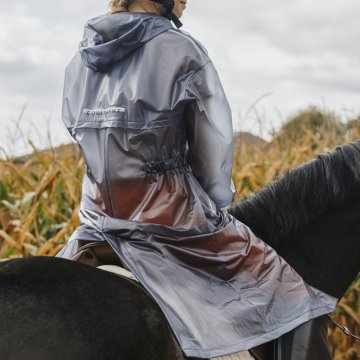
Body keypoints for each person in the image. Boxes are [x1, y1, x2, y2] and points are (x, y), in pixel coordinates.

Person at [57, 0, 336, 358]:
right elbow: (213, 155)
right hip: (174, 221)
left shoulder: (80, 60)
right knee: (289, 292)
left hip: (95, 223)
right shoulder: (182, 50)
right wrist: (216, 209)